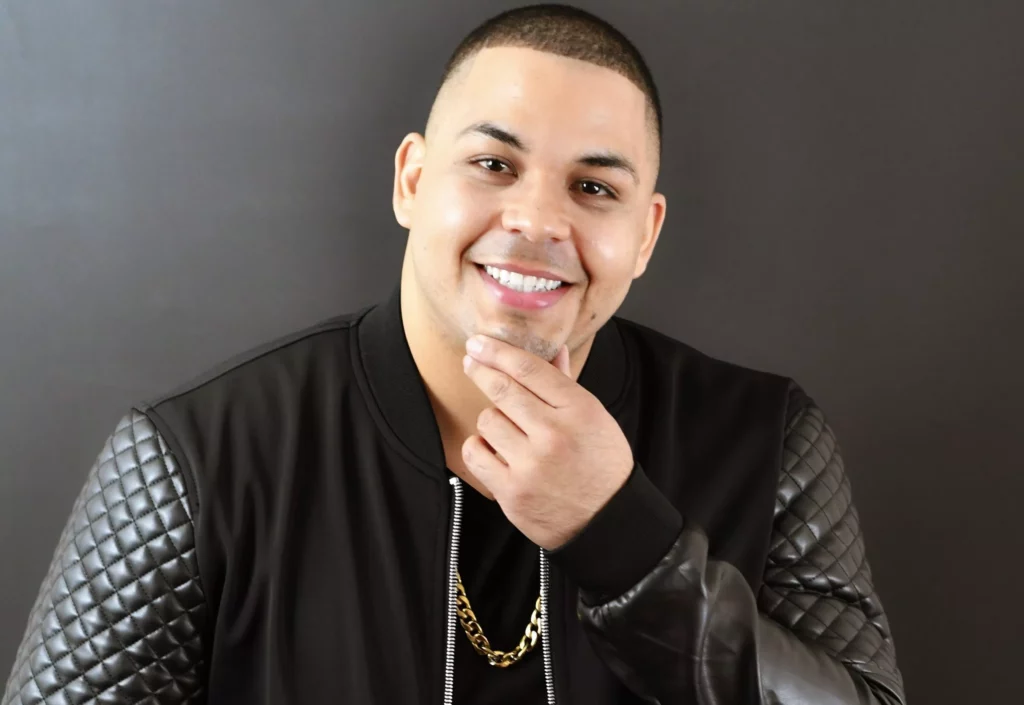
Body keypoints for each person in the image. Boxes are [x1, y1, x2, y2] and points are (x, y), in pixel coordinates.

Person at [2, 4, 905, 704]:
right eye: (494, 165)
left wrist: (626, 542)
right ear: (411, 180)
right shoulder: (195, 460)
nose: (538, 220)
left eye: (594, 187)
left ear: (645, 235)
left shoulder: (768, 441)